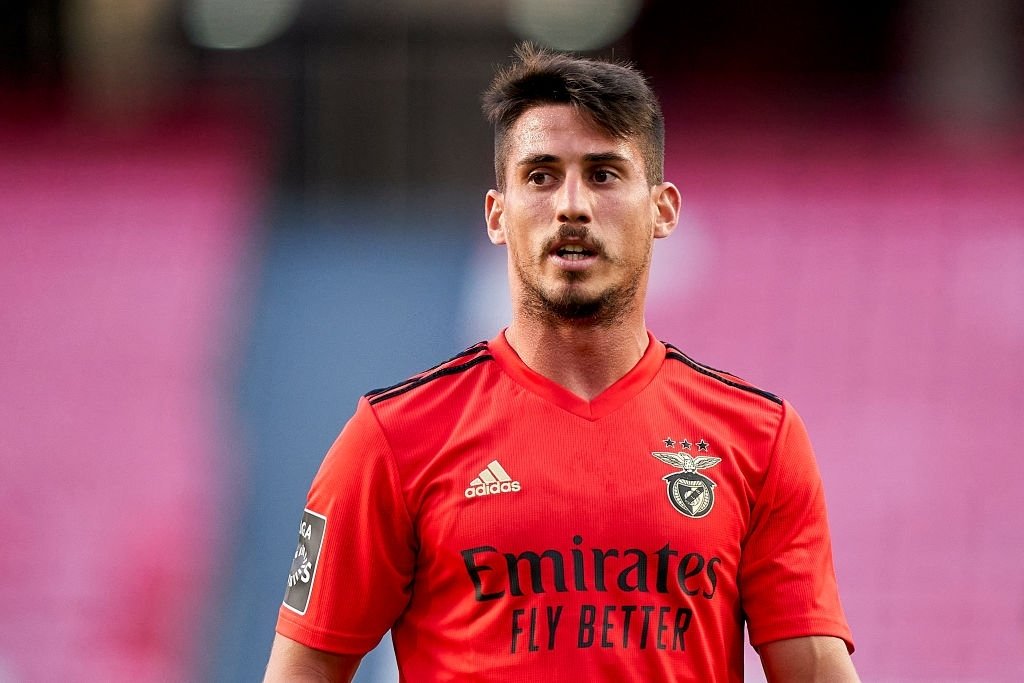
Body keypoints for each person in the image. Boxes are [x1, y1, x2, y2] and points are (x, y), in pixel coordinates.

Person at [264, 43, 858, 682]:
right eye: (541, 176)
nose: (572, 205)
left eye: (603, 174)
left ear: (662, 210)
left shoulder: (759, 438)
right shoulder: (392, 438)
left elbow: (815, 672)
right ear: (497, 214)